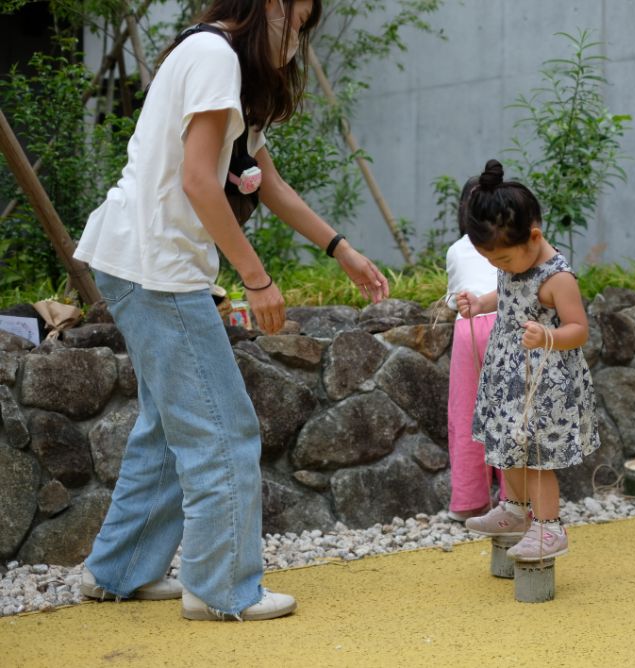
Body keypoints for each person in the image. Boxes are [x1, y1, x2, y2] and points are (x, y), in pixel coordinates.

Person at [72, 0, 389, 621]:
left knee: (171, 428)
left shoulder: (221, 62)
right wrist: (256, 277)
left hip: (142, 259)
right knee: (224, 428)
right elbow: (197, 179)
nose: (298, 34)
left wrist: (339, 248)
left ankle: (119, 570)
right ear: (271, 5)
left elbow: (265, 180)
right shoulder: (215, 57)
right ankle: (222, 588)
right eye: (298, 18)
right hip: (155, 267)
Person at [455, 159, 600, 561]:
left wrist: (548, 336)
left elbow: (579, 329)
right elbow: (507, 297)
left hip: (543, 381)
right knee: (508, 446)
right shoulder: (516, 261)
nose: (497, 267)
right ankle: (515, 510)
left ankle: (549, 527)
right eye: (490, 262)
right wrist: (480, 302)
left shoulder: (557, 278)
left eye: (501, 261)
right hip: (509, 375)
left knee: (535, 455)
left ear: (534, 236)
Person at [445, 176, 504, 522]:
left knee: (467, 415)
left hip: (469, 328)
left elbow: (455, 300)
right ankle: (517, 501)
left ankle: (469, 502)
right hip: (509, 325)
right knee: (511, 417)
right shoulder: (515, 241)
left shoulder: (457, 249)